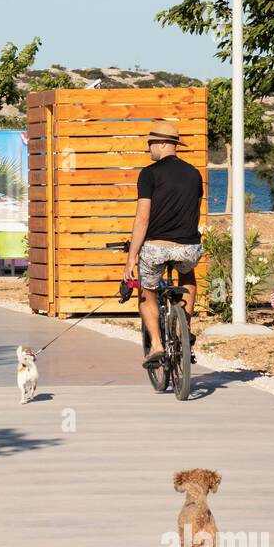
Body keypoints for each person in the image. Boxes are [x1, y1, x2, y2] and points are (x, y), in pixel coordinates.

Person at [121, 122, 204, 369]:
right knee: (187, 276)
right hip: (188, 247)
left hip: (156, 247)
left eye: (151, 143)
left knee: (147, 291)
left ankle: (156, 344)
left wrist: (131, 256)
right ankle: (185, 329)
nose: (148, 149)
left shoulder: (148, 174)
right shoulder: (194, 173)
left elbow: (143, 218)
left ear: (164, 143)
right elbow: (195, 211)